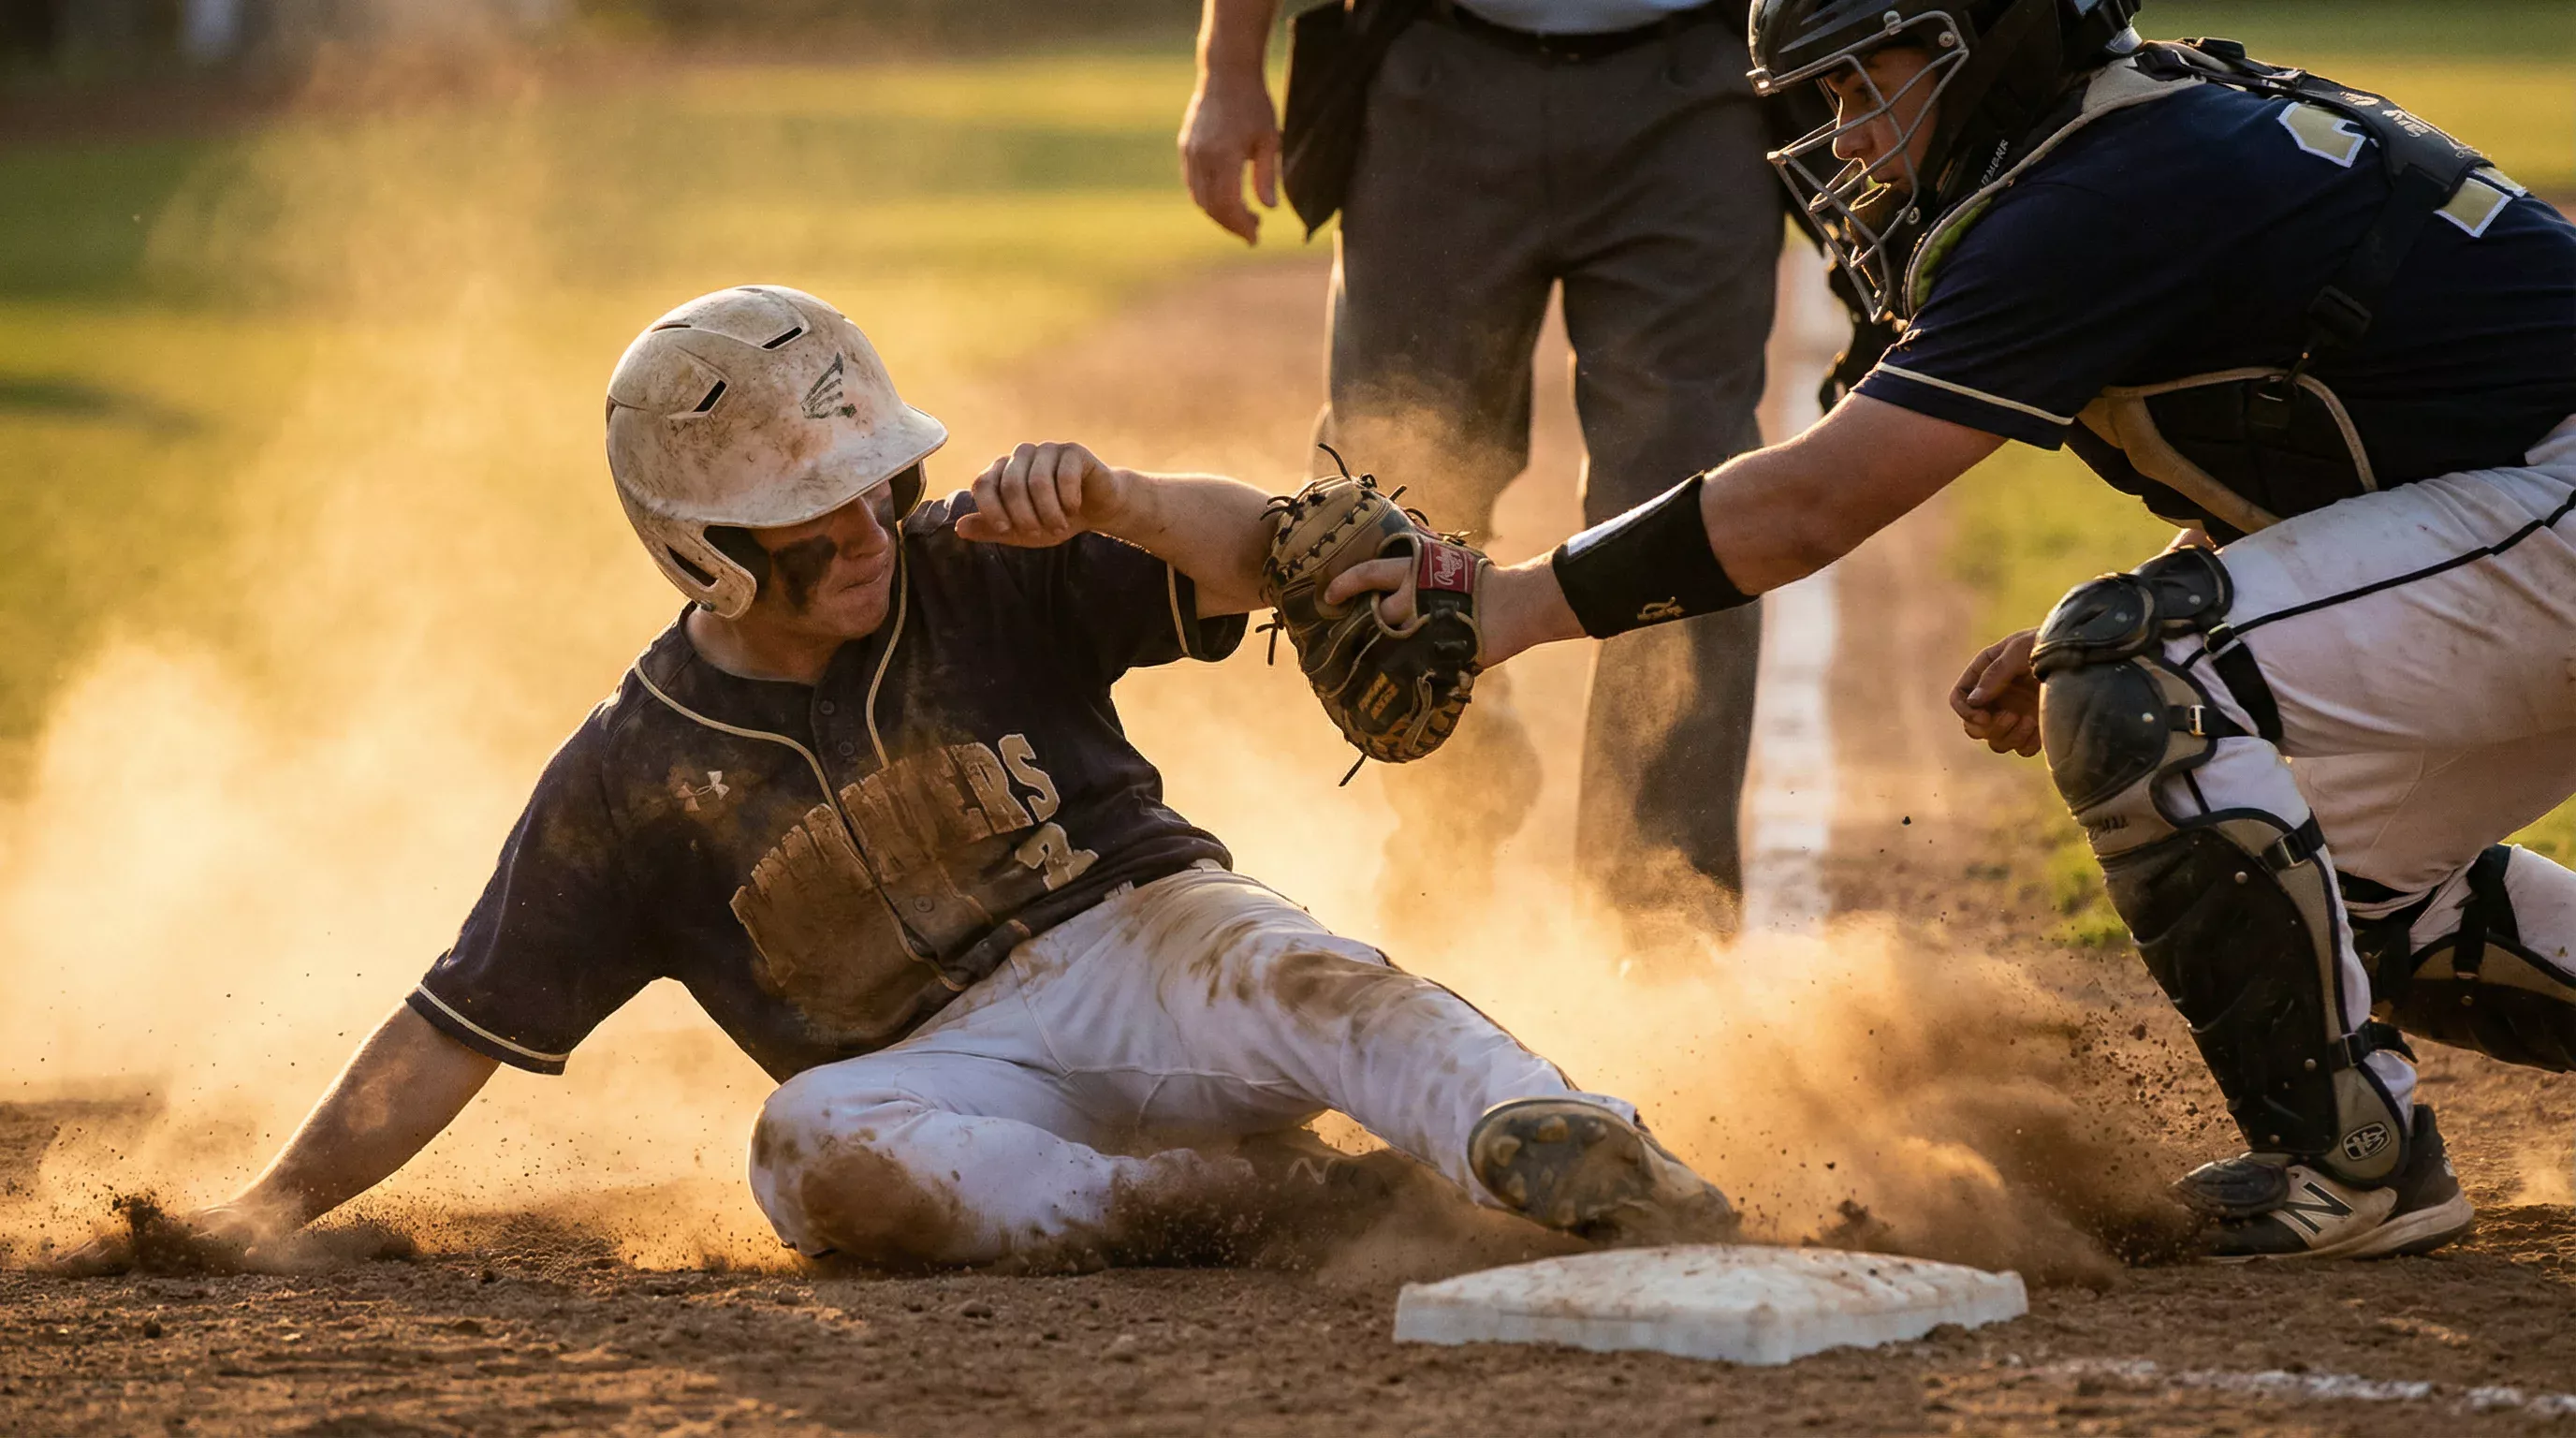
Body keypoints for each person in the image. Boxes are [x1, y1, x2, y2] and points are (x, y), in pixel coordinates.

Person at [59, 285, 1734, 1274]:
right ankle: (1229, 1215)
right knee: (803, 1150)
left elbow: (1266, 563)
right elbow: (455, 1023)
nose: (868, 533)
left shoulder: (982, 565)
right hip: (954, 1079)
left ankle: (1557, 1134)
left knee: (1305, 975)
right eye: (815, 524)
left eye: (880, 485)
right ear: (699, 554)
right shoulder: (632, 776)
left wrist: (1125, 500)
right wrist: (265, 1205)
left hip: (1144, 944)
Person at [1326, 0, 2576, 1260]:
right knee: (2345, 897)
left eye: (1870, 84)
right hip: (2538, 506)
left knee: (2134, 667)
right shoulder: (2140, 136)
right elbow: (2409, 442)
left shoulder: (2095, 187)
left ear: (1989, 41)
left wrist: (1512, 604)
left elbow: (1811, 504)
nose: (1849, 136)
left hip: (2555, 512)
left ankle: (2349, 1168)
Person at [1180, 0, 1780, 925]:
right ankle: (1448, 819)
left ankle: (1663, 916)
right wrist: (1227, 69)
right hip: (1434, 69)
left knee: (1683, 505)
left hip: (1697, 86)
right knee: (1380, 498)